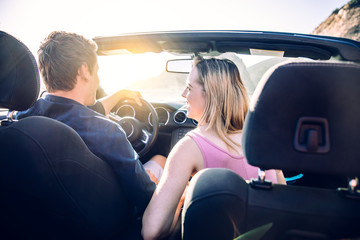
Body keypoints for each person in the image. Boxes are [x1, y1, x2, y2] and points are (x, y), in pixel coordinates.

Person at [16, 31, 166, 216]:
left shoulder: (20, 120)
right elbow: (146, 197)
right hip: (116, 219)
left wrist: (121, 94)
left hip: (47, 218)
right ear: (84, 70)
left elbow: (75, 111)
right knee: (161, 160)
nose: (99, 79)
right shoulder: (107, 132)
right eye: (97, 71)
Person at [142, 58, 286, 240]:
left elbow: (151, 231)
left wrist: (183, 197)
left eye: (189, 87)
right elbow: (283, 202)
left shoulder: (190, 146)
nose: (183, 94)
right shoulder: (266, 139)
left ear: (209, 94)